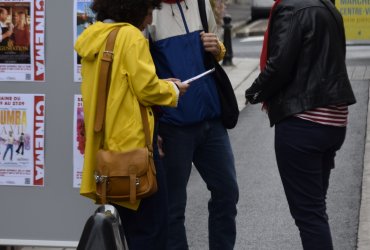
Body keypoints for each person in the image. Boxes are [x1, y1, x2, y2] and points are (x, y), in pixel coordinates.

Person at [74, 0, 189, 249]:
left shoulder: (94, 36)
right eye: (148, 12)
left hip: (107, 150)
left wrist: (158, 83)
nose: (149, 20)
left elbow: (123, 87)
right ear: (134, 9)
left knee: (128, 228)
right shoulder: (130, 36)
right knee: (152, 230)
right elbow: (147, 89)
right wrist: (173, 89)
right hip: (135, 150)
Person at [244, 0, 356, 249]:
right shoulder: (328, 6)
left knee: (309, 216)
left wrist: (253, 93)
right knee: (316, 209)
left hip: (303, 121)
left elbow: (279, 65)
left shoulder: (290, 8)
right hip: (335, 120)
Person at [147, 1, 239, 249]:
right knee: (173, 208)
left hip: (211, 118)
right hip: (172, 125)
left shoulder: (199, 3)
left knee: (227, 193)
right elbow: (140, 76)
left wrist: (217, 47)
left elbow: (216, 49)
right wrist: (152, 129)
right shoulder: (148, 11)